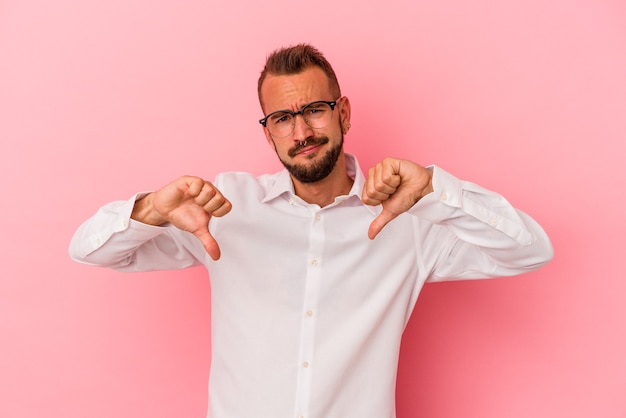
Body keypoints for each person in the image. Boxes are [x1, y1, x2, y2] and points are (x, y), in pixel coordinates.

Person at [69, 44, 553, 418]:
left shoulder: (409, 222)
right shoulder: (224, 209)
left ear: (343, 112)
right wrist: (151, 208)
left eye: (314, 111)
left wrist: (434, 189)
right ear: (268, 132)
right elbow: (90, 251)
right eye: (282, 118)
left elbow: (529, 250)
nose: (301, 133)